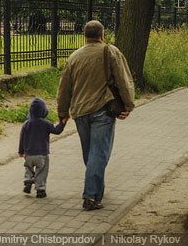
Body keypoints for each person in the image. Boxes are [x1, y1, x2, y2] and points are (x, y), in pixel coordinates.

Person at [57, 19, 135, 211]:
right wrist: (128, 105)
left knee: (90, 154)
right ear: (102, 35)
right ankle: (90, 196)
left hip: (80, 112)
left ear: (85, 36)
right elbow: (124, 81)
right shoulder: (110, 51)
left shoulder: (74, 57)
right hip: (102, 110)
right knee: (99, 154)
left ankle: (95, 189)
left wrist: (62, 112)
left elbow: (64, 87)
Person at [18, 96, 66, 198]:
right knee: (42, 170)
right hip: (42, 154)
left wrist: (21, 151)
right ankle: (40, 189)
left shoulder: (26, 124)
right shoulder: (46, 123)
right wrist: (62, 123)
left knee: (28, 167)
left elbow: (22, 138)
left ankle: (28, 180)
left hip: (29, 154)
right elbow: (57, 131)